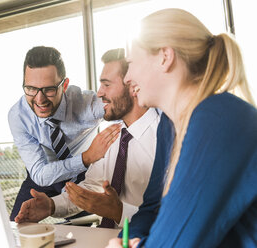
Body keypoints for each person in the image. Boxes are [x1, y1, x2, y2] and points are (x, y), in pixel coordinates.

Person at [107, 8, 257, 248]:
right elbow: (153, 208)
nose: (127, 78)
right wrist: (128, 242)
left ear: (165, 57)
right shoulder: (168, 126)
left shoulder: (219, 119)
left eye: (131, 63)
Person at [15, 48, 160, 227]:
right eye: (31, 88)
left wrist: (119, 211)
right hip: (106, 237)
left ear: (134, 85)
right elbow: (90, 187)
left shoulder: (164, 139)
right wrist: (51, 205)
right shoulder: (111, 137)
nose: (98, 93)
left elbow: (176, 217)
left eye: (106, 85)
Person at [8, 46, 121, 220]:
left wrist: (111, 148)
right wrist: (87, 157)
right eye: (31, 88)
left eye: (49, 89)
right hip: (43, 171)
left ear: (65, 85)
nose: (40, 99)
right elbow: (40, 175)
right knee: (17, 223)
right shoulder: (19, 116)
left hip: (81, 175)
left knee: (84, 231)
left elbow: (123, 108)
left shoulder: (85, 104)